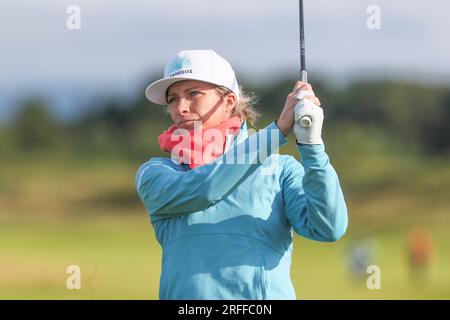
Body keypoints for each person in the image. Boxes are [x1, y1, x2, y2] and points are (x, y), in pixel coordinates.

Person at [136, 49, 348, 300]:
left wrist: (312, 146)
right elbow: (206, 189)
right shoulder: (156, 173)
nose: (180, 108)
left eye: (193, 94)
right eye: (172, 99)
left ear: (228, 102)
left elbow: (328, 227)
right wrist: (276, 132)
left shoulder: (280, 171)